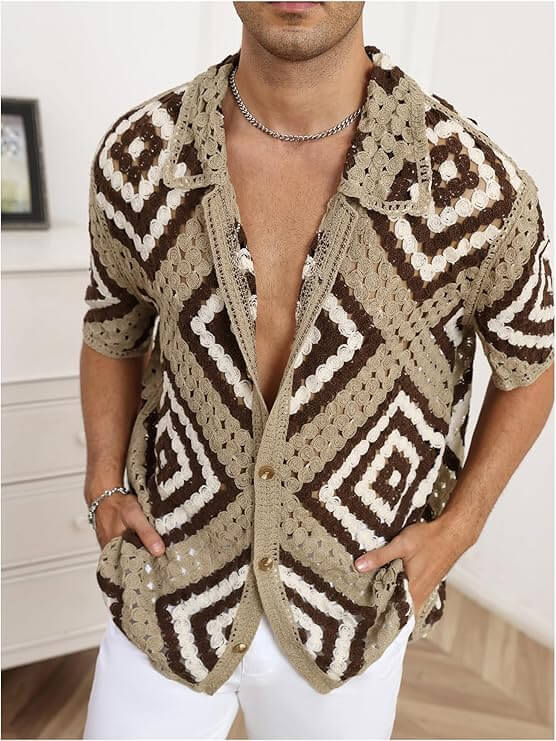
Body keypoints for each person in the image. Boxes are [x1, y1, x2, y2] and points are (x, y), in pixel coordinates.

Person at [80, 2, 554, 739]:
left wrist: (460, 528)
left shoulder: (476, 187)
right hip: (166, 588)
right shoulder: (141, 155)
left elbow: (532, 364)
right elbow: (113, 327)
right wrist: (103, 481)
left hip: (352, 611)